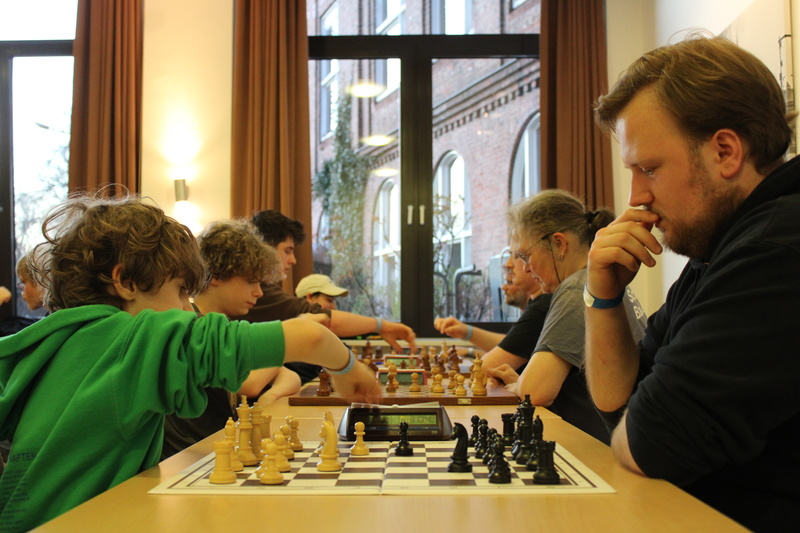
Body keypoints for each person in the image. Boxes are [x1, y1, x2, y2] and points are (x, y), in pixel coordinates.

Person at [0, 195, 381, 531]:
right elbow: (311, 336)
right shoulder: (139, 339)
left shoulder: (43, 342)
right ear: (126, 282)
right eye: (181, 290)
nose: (187, 309)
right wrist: (349, 370)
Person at [586, 35, 800, 532]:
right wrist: (603, 295)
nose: (636, 197)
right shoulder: (720, 250)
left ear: (725, 151)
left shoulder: (775, 249)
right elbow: (618, 407)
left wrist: (639, 420)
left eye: (649, 169)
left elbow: (650, 443)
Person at [485, 190, 647, 444]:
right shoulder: (598, 283)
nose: (525, 268)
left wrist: (523, 385)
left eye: (526, 256)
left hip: (602, 448)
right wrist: (522, 382)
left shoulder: (575, 288)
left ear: (559, 244)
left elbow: (535, 393)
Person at [162, 220, 302, 459]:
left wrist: (270, 396)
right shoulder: (193, 327)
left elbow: (291, 376)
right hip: (191, 459)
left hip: (219, 451)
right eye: (251, 281)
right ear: (215, 275)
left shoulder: (226, 328)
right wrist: (279, 352)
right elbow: (249, 384)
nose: (259, 292)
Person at [244, 209, 417, 382]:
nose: (293, 260)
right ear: (265, 248)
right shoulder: (260, 292)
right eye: (287, 251)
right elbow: (325, 319)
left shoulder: (262, 289)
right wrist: (381, 326)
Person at [433, 247, 552, 370]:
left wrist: (469, 344)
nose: (503, 287)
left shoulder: (541, 307)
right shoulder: (537, 308)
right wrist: (466, 333)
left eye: (509, 282)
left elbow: (487, 365)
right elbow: (510, 344)